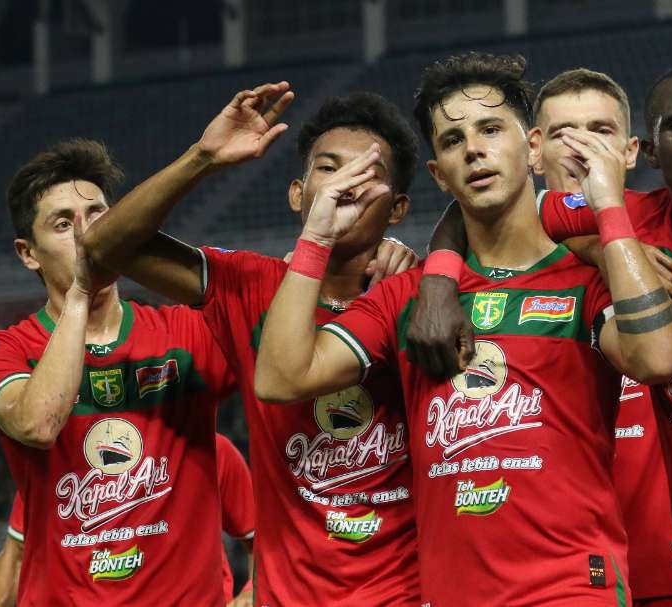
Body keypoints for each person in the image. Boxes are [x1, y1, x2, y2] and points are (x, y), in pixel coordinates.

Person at [253, 52, 672, 606]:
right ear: (437, 172)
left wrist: (607, 208)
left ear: (531, 148)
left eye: (490, 129)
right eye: (452, 140)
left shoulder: (586, 281)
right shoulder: (404, 297)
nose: (474, 148)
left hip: (573, 587)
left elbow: (657, 360)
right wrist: (315, 238)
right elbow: (281, 377)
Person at [411, 66, 672, 606]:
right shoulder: (516, 235)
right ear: (533, 150)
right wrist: (438, 279)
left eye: (600, 131)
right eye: (562, 133)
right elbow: (468, 207)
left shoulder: (669, 222)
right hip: (581, 572)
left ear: (631, 151)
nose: (581, 147)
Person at [80, 84, 422, 605]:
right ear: (296, 194)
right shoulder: (248, 284)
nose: (345, 187)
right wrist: (203, 158)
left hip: (408, 592)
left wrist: (426, 270)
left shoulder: (423, 296)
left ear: (397, 208)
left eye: (368, 175)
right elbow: (104, 245)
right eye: (329, 169)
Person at [0, 140, 234, 605]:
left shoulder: (188, 333)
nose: (87, 235)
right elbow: (37, 423)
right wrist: (79, 294)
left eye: (97, 215)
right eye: (62, 224)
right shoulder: (5, 350)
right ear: (27, 253)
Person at [0, 433, 256, 607]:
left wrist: (251, 594)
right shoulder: (55, 465)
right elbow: (16, 555)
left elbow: (260, 538)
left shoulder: (210, 450)